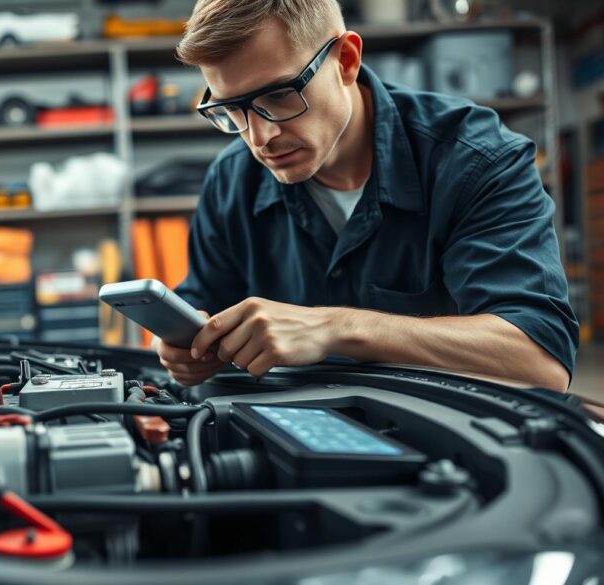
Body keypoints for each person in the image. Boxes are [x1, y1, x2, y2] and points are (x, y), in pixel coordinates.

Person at [156, 0, 577, 392]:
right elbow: (202, 310)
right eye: (232, 109)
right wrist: (189, 350)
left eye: (280, 95)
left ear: (346, 61)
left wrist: (336, 329)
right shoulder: (231, 182)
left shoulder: (476, 162)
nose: (260, 137)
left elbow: (541, 359)